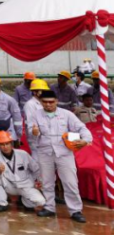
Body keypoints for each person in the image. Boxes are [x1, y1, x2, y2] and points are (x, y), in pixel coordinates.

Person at [26, 90, 91, 223]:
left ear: (57, 101)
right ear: (40, 102)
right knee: (47, 182)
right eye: (45, 102)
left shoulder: (66, 114)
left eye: (51, 102)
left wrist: (85, 140)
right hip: (45, 152)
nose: (48, 104)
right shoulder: (35, 115)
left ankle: (75, 210)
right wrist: (34, 132)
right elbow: (30, 131)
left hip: (64, 152)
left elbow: (82, 128)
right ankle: (49, 207)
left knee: (70, 182)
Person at [0, 130, 44, 214]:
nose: (5, 147)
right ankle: (1, 203)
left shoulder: (23, 154)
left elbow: (36, 169)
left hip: (25, 185)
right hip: (9, 186)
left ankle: (25, 201)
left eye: (7, 143)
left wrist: (38, 182)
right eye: (2, 144)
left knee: (41, 202)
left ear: (11, 144)